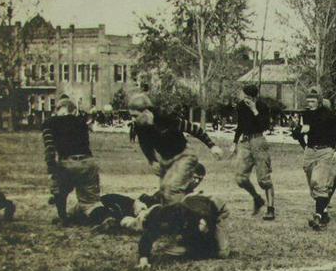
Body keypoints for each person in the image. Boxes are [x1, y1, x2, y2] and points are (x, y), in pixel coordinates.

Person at [127, 93, 224, 205]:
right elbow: (145, 145)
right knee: (164, 193)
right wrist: (152, 160)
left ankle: (192, 210)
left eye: (135, 116)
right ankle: (191, 205)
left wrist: (212, 146)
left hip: (184, 156)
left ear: (146, 112)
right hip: (166, 159)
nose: (133, 119)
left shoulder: (166, 118)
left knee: (172, 190)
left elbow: (193, 129)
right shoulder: (140, 127)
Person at [42, 97, 112, 229]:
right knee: (90, 203)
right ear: (74, 111)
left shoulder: (49, 122)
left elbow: (50, 150)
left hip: (67, 163)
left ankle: (63, 217)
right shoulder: (81, 122)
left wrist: (51, 171)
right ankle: (104, 217)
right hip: (88, 162)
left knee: (59, 190)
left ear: (57, 110)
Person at [293, 88, 336, 230]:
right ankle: (324, 212)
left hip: (325, 151)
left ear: (319, 101)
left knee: (320, 184)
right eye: (308, 101)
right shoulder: (305, 114)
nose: (310, 104)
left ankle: (317, 216)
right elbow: (299, 133)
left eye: (313, 101)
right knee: (313, 185)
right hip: (310, 152)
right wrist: (298, 132)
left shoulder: (329, 115)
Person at [130, 194, 229, 269]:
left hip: (215, 206)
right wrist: (143, 259)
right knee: (183, 244)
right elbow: (147, 237)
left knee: (221, 253)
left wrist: (189, 248)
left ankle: (185, 243)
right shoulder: (161, 216)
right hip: (190, 201)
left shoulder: (197, 219)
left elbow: (208, 244)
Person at [231, 83, 275, 220]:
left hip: (258, 141)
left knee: (264, 179)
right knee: (240, 178)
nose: (244, 99)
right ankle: (257, 198)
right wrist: (234, 142)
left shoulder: (262, 106)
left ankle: (270, 209)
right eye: (243, 96)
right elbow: (240, 125)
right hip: (245, 142)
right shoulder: (241, 106)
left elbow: (265, 126)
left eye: (247, 97)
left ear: (253, 97)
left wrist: (255, 110)